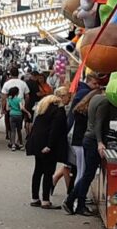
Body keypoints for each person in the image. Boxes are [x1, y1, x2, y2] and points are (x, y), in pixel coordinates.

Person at [63, 85, 109, 216]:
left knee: (87, 174)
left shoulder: (93, 100)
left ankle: (73, 201)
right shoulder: (103, 102)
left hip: (86, 140)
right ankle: (75, 202)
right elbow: (99, 124)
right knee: (87, 174)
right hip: (92, 141)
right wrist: (100, 142)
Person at [26, 95, 68, 209]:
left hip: (37, 143)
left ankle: (35, 198)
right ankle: (45, 200)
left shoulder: (42, 110)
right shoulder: (59, 111)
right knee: (48, 172)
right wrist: (50, 145)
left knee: (38, 170)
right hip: (48, 145)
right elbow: (55, 130)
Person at [1, 70, 28, 145]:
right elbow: (27, 96)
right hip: (20, 107)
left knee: (9, 124)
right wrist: (25, 105)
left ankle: (11, 140)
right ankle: (18, 141)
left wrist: (3, 108)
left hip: (10, 106)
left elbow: (4, 97)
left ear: (11, 74)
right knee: (19, 125)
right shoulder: (23, 83)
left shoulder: (7, 83)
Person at [6, 87, 28, 151]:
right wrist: (27, 112)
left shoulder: (9, 99)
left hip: (12, 115)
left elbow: (7, 109)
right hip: (19, 115)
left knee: (13, 131)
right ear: (17, 93)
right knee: (19, 130)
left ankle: (13, 145)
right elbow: (21, 108)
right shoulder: (19, 99)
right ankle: (20, 144)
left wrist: (12, 108)